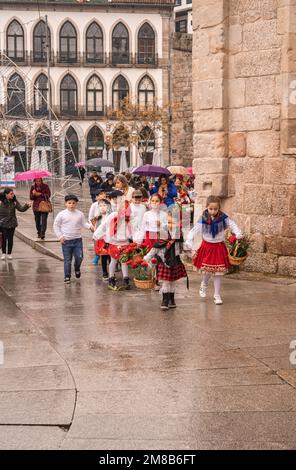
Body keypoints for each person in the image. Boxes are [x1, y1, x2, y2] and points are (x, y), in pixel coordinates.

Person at [184, 195, 241, 305]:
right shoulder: (203, 218)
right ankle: (204, 284)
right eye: (211, 209)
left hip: (219, 247)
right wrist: (189, 241)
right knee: (208, 270)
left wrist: (237, 233)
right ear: (207, 207)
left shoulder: (223, 217)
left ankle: (217, 295)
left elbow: (232, 224)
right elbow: (194, 230)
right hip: (207, 247)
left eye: (216, 209)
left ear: (219, 208)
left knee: (218, 273)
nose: (213, 211)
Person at [144, 212, 187, 310]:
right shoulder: (163, 234)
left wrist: (192, 254)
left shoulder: (178, 236)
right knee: (166, 282)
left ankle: (172, 300)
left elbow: (183, 247)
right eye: (168, 222)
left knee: (172, 282)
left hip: (175, 261)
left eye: (173, 223)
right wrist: (147, 257)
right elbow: (156, 248)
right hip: (164, 261)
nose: (170, 225)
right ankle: (165, 300)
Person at [53, 194, 94, 283]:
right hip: (66, 241)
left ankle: (77, 268)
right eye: (69, 203)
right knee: (67, 260)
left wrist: (90, 227)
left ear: (76, 204)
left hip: (77, 240)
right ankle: (67, 276)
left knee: (79, 257)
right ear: (65, 204)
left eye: (73, 203)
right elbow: (56, 225)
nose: (71, 205)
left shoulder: (80, 214)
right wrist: (60, 236)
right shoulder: (61, 214)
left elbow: (84, 223)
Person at [93, 199, 132, 291]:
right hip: (113, 242)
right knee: (113, 260)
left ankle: (126, 278)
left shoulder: (129, 218)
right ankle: (111, 277)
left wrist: (137, 238)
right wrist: (96, 235)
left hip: (125, 242)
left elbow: (134, 228)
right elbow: (104, 226)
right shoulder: (112, 216)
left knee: (124, 261)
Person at [0, 187, 31, 260]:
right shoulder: (1, 201)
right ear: (6, 194)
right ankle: (3, 253)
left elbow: (21, 209)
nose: (12, 195)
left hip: (12, 223)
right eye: (11, 194)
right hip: (3, 223)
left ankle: (9, 254)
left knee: (10, 239)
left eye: (13, 193)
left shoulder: (14, 201)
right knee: (4, 238)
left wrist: (27, 206)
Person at [93, 199, 112, 281]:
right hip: (102, 240)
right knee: (104, 256)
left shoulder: (111, 215)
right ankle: (105, 272)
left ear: (108, 206)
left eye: (104, 205)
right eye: (100, 206)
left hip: (110, 239)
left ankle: (112, 272)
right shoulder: (98, 217)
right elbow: (96, 228)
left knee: (111, 256)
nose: (102, 208)